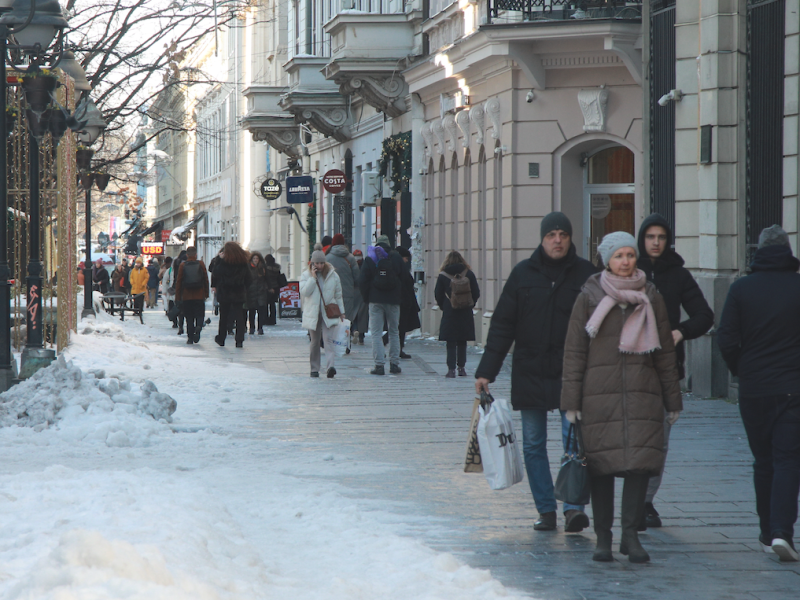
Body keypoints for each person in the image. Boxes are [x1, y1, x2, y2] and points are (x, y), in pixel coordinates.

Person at [561, 231, 681, 564]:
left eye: (630, 255)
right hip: (599, 397)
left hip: (643, 395)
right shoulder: (589, 296)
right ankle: (604, 538)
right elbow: (574, 352)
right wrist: (571, 403)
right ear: (607, 260)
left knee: (639, 466)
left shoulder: (651, 295)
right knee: (600, 468)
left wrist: (673, 401)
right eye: (619, 256)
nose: (626, 262)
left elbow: (665, 356)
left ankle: (630, 536)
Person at [475, 212, 597, 533]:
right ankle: (546, 509)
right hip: (530, 370)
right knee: (533, 445)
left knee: (574, 444)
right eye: (551, 235)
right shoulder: (522, 274)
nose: (557, 240)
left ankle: (572, 508)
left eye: (563, 235)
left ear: (570, 239)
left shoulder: (586, 274)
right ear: (542, 239)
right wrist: (487, 370)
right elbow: (503, 325)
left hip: (572, 373)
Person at [717, 225, 800, 562]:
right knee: (787, 459)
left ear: (759, 252)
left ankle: (767, 533)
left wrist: (743, 369)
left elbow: (725, 339)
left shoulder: (741, 289)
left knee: (763, 461)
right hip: (793, 389)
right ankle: (782, 532)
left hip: (753, 390)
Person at [636, 213, 714, 528]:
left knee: (660, 441)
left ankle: (646, 500)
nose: (656, 242)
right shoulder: (629, 267)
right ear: (641, 239)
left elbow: (704, 315)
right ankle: (633, 498)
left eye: (661, 237)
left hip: (666, 368)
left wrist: (680, 331)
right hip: (630, 367)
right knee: (634, 438)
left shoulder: (678, 275)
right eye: (650, 237)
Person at [359, 234, 404, 375]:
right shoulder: (396, 258)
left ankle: (379, 365)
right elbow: (405, 278)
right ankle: (394, 364)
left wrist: (368, 297)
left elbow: (362, 281)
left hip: (375, 300)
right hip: (393, 300)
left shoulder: (371, 258)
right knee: (394, 331)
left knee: (376, 333)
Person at [300, 249, 345, 378]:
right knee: (314, 342)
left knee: (328, 340)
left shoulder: (332, 275)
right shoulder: (306, 275)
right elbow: (304, 292)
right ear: (312, 263)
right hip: (312, 313)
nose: (319, 266)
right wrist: (313, 279)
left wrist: (342, 312)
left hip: (328, 312)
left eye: (321, 263)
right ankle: (314, 368)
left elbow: (338, 295)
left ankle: (330, 367)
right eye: (316, 263)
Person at [435, 251, 479, 376]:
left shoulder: (443, 275)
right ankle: (462, 368)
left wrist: (444, 305)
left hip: (450, 310)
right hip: (465, 310)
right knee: (462, 339)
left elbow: (438, 293)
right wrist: (470, 303)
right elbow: (476, 292)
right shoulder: (468, 273)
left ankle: (451, 369)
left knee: (451, 340)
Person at [211, 241, 251, 348]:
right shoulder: (243, 263)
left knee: (224, 316)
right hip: (238, 292)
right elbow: (249, 279)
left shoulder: (224, 263)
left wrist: (219, 259)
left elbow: (215, 273)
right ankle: (239, 340)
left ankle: (221, 338)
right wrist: (243, 288)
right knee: (239, 316)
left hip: (225, 293)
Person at [327, 233, 360, 341]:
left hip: (332, 294)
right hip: (347, 294)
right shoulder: (350, 257)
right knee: (346, 320)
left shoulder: (328, 258)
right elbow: (357, 277)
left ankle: (334, 341)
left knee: (333, 318)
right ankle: (346, 343)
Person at [175, 246, 209, 345]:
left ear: (187, 255)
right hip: (199, 295)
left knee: (189, 317)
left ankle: (190, 338)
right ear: (196, 254)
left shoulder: (183, 265)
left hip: (187, 296)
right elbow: (205, 280)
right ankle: (198, 327)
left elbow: (179, 282)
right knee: (199, 314)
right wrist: (206, 293)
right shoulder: (201, 264)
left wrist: (178, 297)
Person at [395, 247, 421, 359]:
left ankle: (398, 348)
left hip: (403, 301)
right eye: (406, 258)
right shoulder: (400, 269)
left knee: (400, 327)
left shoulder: (399, 268)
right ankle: (398, 348)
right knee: (400, 327)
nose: (407, 261)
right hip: (403, 302)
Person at [244, 251, 269, 335]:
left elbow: (267, 279)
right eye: (254, 258)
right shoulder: (248, 267)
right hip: (251, 292)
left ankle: (260, 328)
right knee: (252, 312)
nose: (255, 260)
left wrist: (266, 287)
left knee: (261, 311)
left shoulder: (263, 268)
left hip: (261, 292)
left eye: (257, 258)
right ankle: (252, 328)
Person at [351, 249, 367, 344]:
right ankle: (361, 336)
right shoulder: (365, 265)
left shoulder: (351, 265)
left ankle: (355, 330)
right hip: (363, 292)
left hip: (353, 292)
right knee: (362, 316)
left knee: (354, 315)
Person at [263, 254, 282, 325]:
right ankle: (273, 320)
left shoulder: (265, 268)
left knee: (265, 304)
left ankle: (265, 319)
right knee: (272, 304)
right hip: (276, 287)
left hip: (267, 288)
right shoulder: (277, 268)